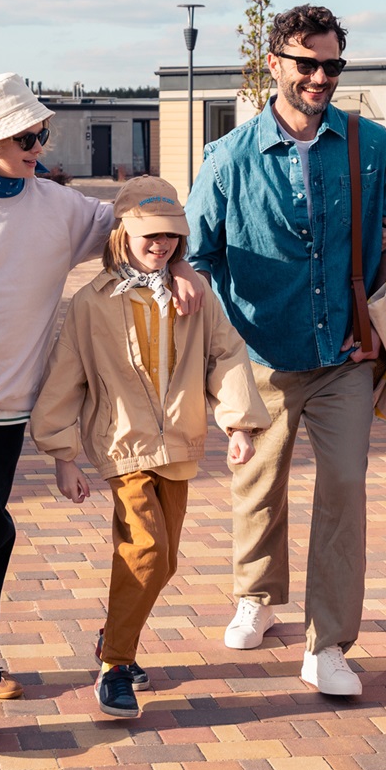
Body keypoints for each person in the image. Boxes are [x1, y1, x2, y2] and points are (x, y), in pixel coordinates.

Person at [0, 73, 205, 746]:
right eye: (28, 136)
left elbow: (136, 220)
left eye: (41, 135)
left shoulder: (59, 208)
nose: (40, 146)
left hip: (10, 405)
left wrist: (180, 267)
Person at [185, 3, 386, 697]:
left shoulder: (372, 147)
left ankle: (329, 643)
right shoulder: (227, 159)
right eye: (306, 63)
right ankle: (256, 595)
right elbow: (200, 258)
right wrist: (230, 346)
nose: (319, 77)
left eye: (332, 65)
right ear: (273, 64)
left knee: (344, 487)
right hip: (261, 355)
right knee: (258, 484)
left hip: (344, 357)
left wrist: (371, 316)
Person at [30, 177, 270, 720]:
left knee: (165, 561)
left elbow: (226, 355)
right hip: (123, 447)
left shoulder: (194, 296)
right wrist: (62, 455)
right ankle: (115, 665)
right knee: (145, 551)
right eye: (149, 235)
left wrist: (239, 425)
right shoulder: (91, 305)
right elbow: (65, 377)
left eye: (171, 237)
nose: (161, 245)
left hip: (181, 445)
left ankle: (114, 631)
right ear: (122, 234)